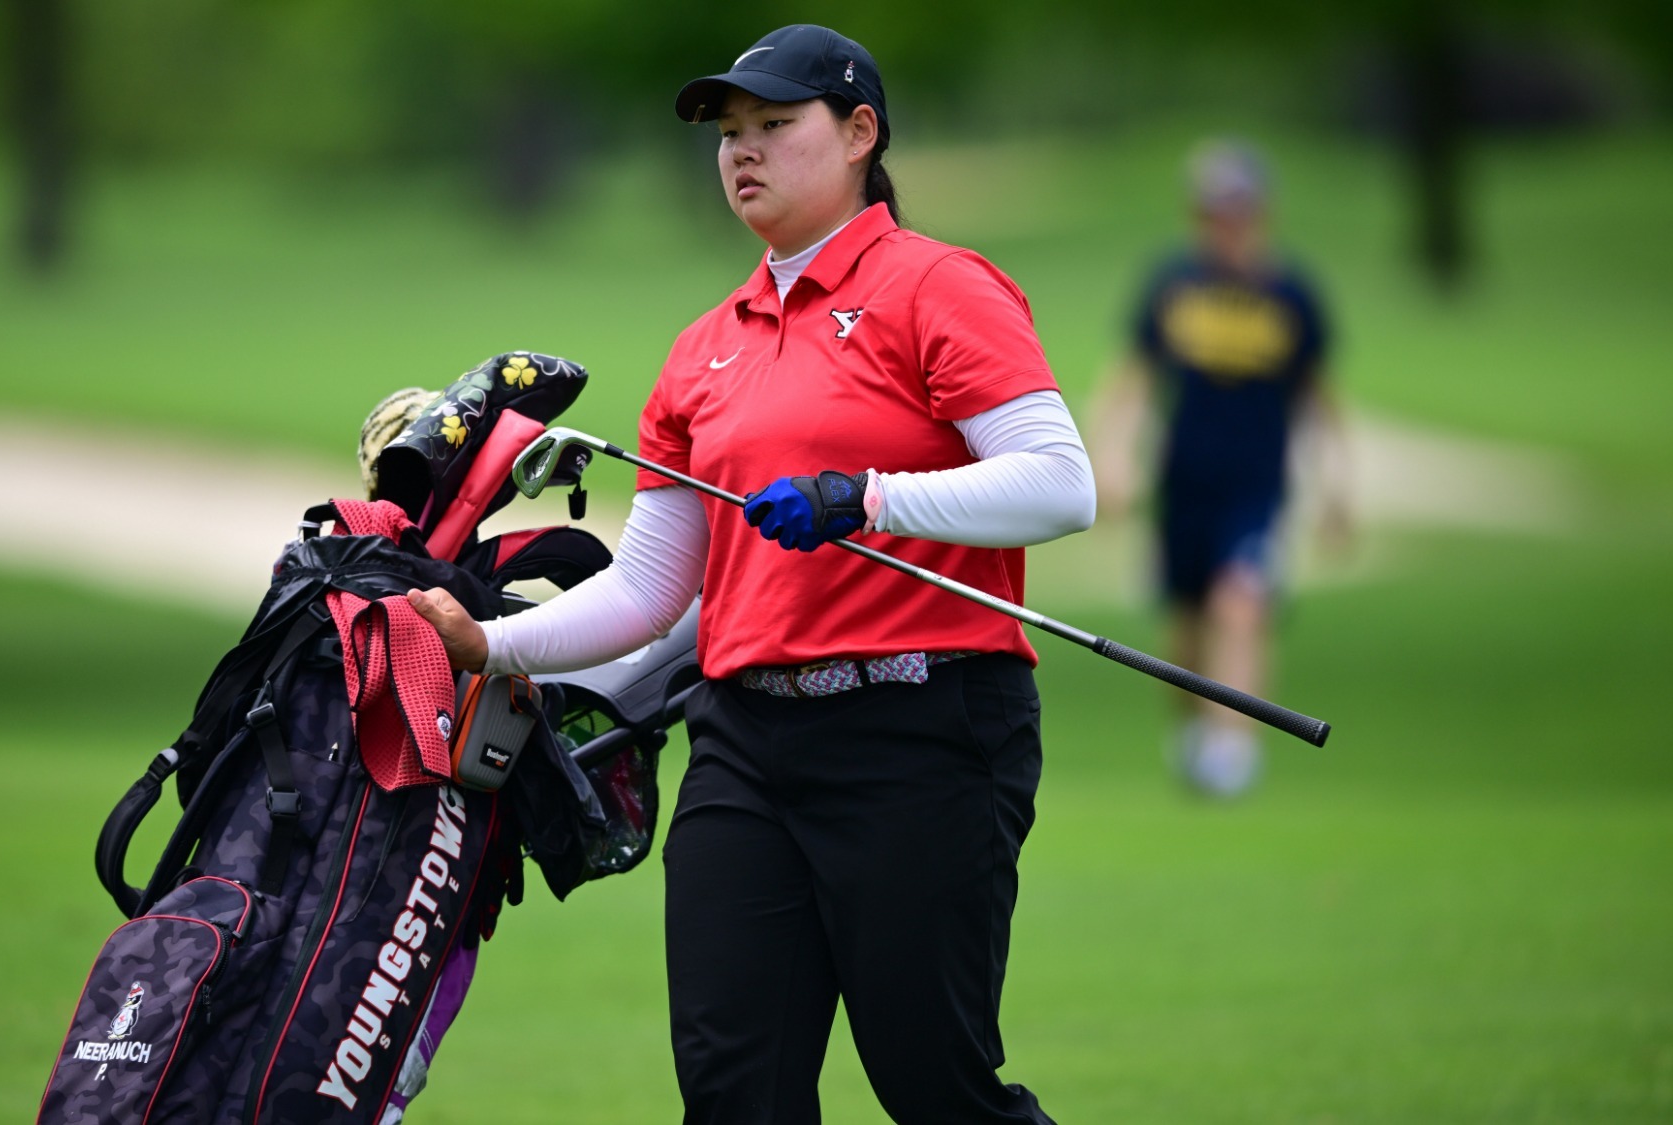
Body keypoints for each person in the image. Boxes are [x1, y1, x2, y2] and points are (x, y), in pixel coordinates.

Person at [406, 25, 1094, 1123]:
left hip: (923, 732)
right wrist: (490, 644)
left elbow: (1061, 486)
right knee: (735, 1094)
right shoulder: (701, 348)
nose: (742, 153)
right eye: (729, 133)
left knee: (935, 1085)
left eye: (775, 125)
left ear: (860, 132)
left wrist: (864, 498)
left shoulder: (939, 288)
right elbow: (648, 591)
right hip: (744, 749)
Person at [1092, 141, 1350, 798]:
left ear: (1260, 211)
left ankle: (1234, 749)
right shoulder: (1175, 285)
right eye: (1213, 210)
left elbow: (1320, 398)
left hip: (1256, 486)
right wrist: (1112, 455)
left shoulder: (1291, 294)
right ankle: (1195, 735)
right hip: (1185, 485)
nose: (1224, 223)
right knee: (1184, 626)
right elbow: (1133, 378)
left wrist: (1337, 490)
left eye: (1236, 209)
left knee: (1240, 603)